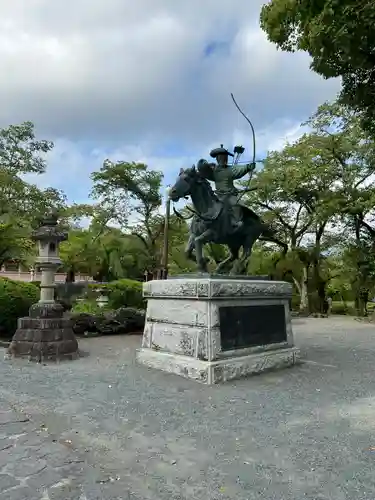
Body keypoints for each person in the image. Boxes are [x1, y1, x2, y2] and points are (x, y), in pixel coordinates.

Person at [197, 145, 255, 233]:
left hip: (230, 195)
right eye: (221, 158)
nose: (224, 159)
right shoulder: (213, 171)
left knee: (236, 204)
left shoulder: (231, 169)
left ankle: (236, 222)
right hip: (218, 196)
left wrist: (248, 167)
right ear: (217, 158)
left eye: (225, 158)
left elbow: (240, 169)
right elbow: (202, 169)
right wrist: (206, 164)